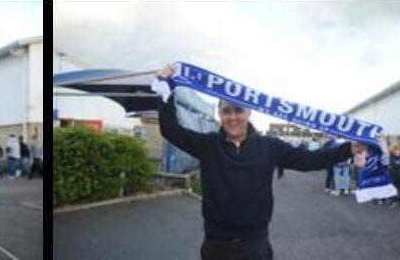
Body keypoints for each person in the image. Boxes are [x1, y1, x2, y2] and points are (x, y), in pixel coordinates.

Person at [155, 64, 376, 259]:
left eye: (238, 110)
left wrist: (348, 148)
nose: (233, 117)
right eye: (226, 111)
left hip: (255, 245)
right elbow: (170, 130)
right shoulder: (208, 145)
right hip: (216, 244)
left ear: (249, 112)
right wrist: (166, 90)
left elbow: (310, 160)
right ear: (220, 114)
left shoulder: (269, 146)